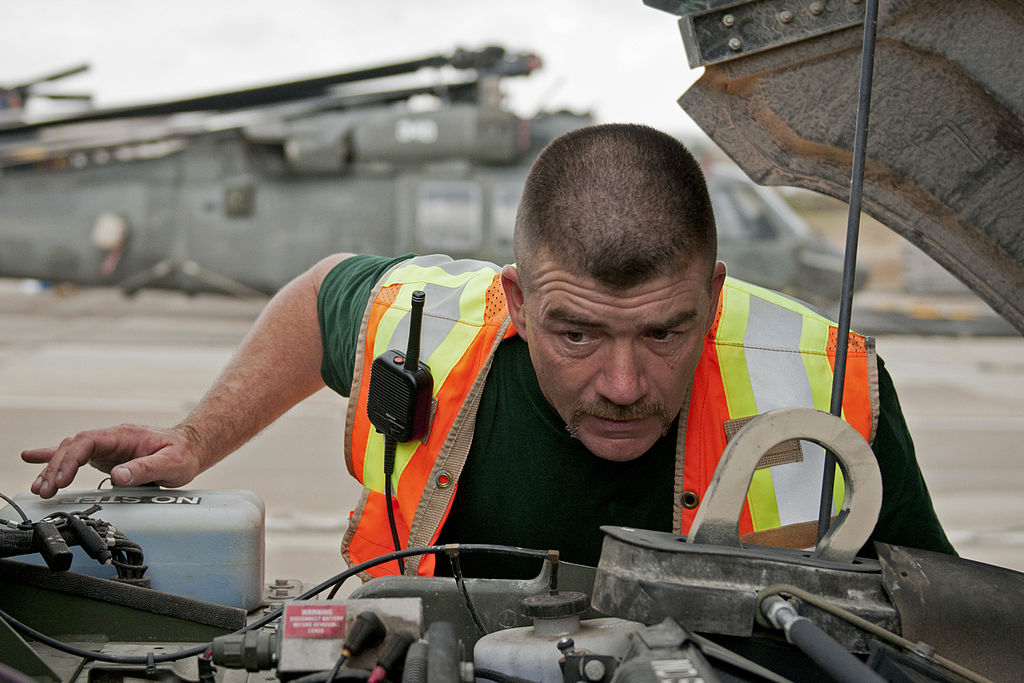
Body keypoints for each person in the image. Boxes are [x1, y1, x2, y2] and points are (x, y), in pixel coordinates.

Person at [21, 124, 954, 578]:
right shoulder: (428, 319)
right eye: (576, 332)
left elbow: (944, 616)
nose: (623, 384)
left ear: (714, 297)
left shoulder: (831, 381)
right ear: (513, 299)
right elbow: (320, 293)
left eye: (665, 332)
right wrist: (197, 441)